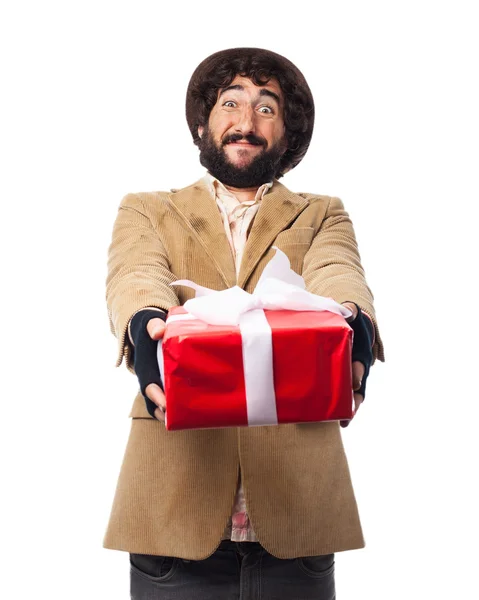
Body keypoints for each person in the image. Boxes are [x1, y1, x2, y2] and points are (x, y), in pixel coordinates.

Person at [104, 47, 385, 600]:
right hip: (172, 517)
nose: (246, 121)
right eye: (230, 103)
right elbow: (135, 274)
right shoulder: (148, 208)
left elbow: (338, 271)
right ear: (204, 122)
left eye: (266, 108)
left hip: (295, 521)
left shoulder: (321, 211)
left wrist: (356, 320)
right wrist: (144, 320)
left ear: (287, 134)